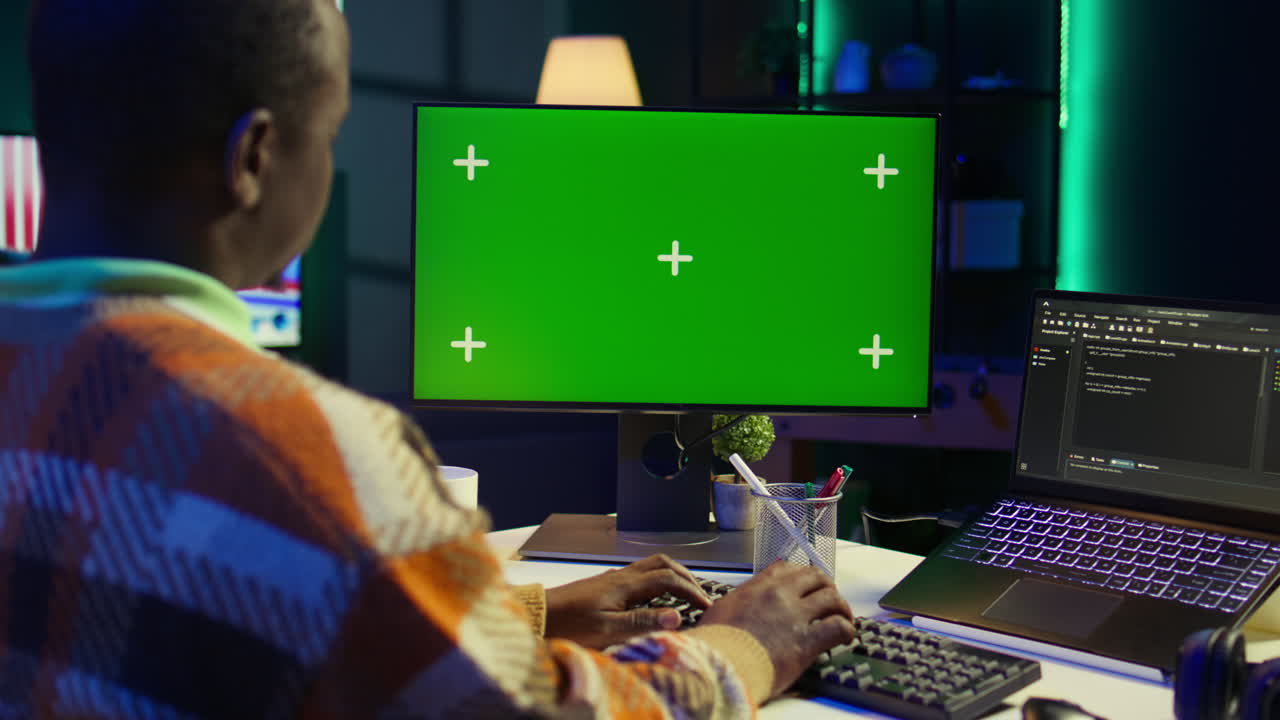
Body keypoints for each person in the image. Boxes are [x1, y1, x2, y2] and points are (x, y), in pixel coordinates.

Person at [0, 0, 857, 717]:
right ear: (253, 158)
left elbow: (204, 623)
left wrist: (525, 614)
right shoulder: (311, 454)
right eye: (328, 135)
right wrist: (746, 642)